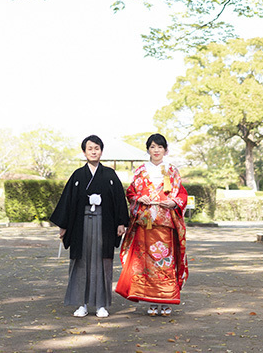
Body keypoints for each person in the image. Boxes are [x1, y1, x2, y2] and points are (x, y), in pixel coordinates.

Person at [50, 135, 129, 318]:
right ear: (84, 151)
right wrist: (63, 226)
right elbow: (68, 202)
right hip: (81, 224)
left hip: (104, 224)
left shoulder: (109, 174)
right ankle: (82, 304)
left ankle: (102, 304)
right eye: (90, 148)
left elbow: (119, 199)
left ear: (101, 150)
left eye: (97, 148)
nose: (93, 151)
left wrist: (121, 223)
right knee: (81, 263)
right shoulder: (78, 175)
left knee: (103, 263)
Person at [115, 133, 188, 316]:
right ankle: (151, 301)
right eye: (153, 147)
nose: (156, 150)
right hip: (146, 222)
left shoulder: (172, 170)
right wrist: (139, 197)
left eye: (160, 147)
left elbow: (182, 194)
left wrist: (174, 203)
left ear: (166, 150)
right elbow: (130, 192)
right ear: (148, 149)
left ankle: (166, 300)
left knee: (165, 261)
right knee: (145, 263)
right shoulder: (141, 170)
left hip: (165, 222)